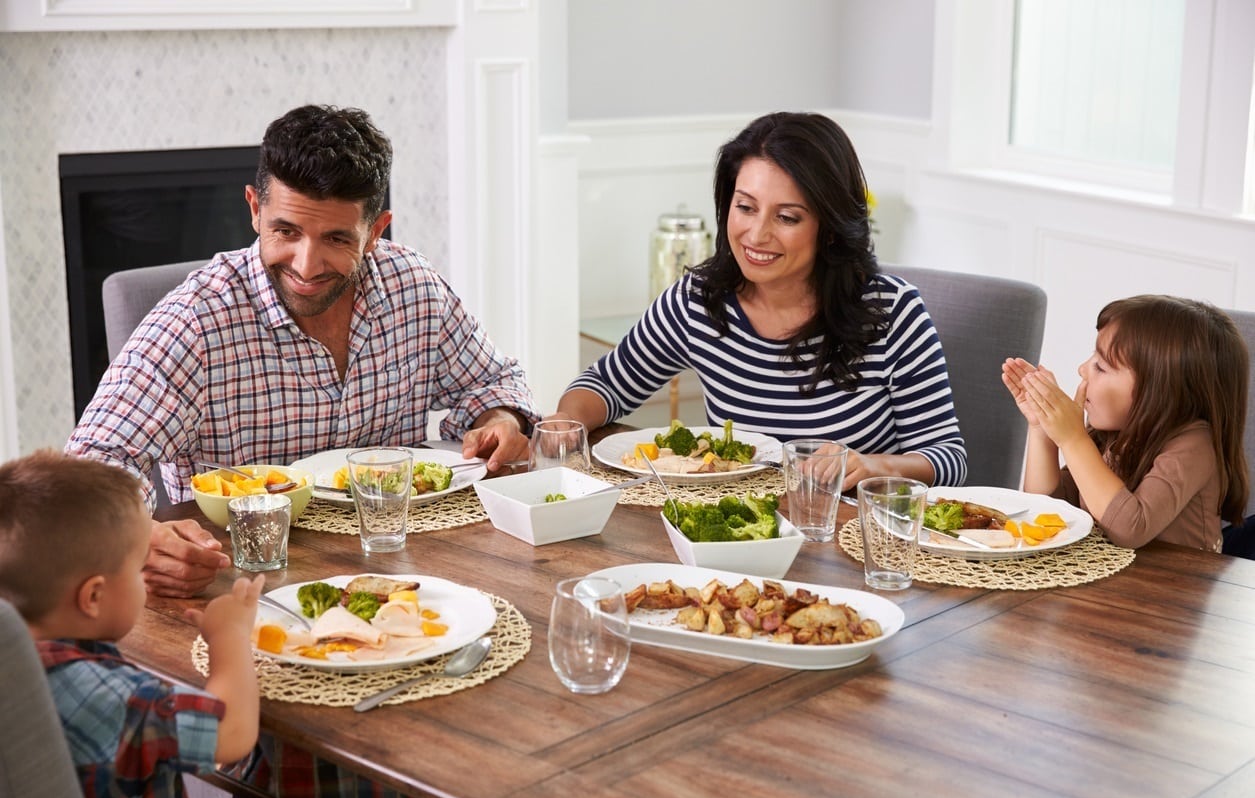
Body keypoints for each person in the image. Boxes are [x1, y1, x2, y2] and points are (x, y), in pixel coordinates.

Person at [67, 104, 541, 597]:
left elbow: (496, 381)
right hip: (247, 587)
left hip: (401, 574)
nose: (306, 265)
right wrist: (136, 539)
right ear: (255, 208)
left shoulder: (413, 286)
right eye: (286, 231)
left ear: (375, 232)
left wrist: (501, 419)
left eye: (336, 238)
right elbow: (90, 469)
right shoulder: (195, 321)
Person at [550, 111, 967, 491]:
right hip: (731, 540)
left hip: (848, 543)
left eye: (787, 217)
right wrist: (564, 427)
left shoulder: (893, 314)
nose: (757, 234)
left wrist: (877, 467)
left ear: (831, 226)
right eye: (745, 207)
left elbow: (948, 457)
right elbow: (604, 385)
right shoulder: (698, 301)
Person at [0, 449, 263, 798]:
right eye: (141, 566)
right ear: (93, 597)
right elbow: (233, 734)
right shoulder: (115, 696)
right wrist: (231, 637)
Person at [1002, 295, 1249, 551]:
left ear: (1158, 391)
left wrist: (1073, 439)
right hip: (1111, 582)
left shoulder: (1195, 446)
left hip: (1176, 588)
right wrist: (1042, 427)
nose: (1082, 369)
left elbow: (1131, 528)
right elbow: (1049, 509)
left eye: (1101, 367)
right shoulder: (1111, 433)